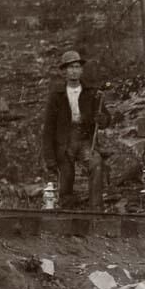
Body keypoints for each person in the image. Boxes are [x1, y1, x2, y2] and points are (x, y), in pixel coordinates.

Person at [42, 51, 112, 209]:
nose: (74, 71)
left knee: (96, 164)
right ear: (64, 72)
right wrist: (49, 158)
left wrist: (102, 119)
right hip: (64, 143)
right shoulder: (56, 95)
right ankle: (67, 211)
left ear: (81, 70)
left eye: (77, 67)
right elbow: (48, 129)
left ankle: (96, 209)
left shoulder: (91, 92)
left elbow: (106, 119)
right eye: (70, 67)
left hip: (85, 140)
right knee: (66, 176)